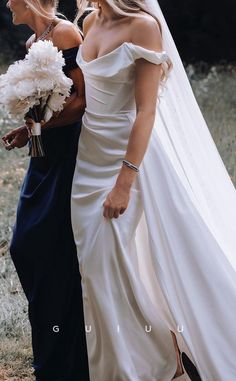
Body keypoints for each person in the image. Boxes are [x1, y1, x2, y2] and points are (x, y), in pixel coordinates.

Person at [71, 0, 236, 380]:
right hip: (88, 160)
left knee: (109, 263)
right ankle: (145, 360)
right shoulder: (90, 20)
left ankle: (151, 368)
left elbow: (147, 111)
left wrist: (125, 182)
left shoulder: (143, 26)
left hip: (127, 158)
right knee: (98, 272)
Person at [2, 1, 90, 380]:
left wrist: (39, 124)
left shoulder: (67, 33)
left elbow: (82, 101)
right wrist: (28, 129)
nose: (7, 4)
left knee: (51, 251)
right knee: (25, 245)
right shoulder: (31, 42)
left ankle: (64, 359)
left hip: (68, 153)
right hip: (43, 156)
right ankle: (51, 351)